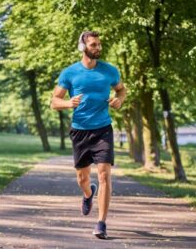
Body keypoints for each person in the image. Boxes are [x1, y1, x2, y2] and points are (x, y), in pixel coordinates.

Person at [50, 31, 127, 239]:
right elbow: (54, 101)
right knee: (82, 178)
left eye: (99, 45)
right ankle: (88, 193)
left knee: (104, 174)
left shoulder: (110, 71)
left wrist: (119, 99)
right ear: (82, 47)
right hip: (80, 130)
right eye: (93, 45)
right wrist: (68, 103)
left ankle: (101, 223)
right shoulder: (70, 73)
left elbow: (121, 90)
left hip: (103, 128)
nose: (98, 48)